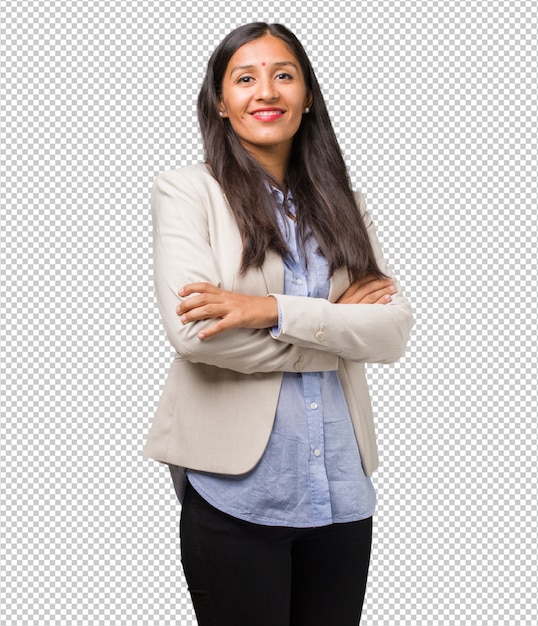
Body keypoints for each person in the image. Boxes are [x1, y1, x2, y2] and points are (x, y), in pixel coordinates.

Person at [143, 22, 414, 626]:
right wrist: (339, 331)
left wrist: (269, 311)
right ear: (221, 100)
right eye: (245, 78)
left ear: (307, 94)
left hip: (342, 490)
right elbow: (195, 334)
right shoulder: (188, 192)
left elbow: (393, 332)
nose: (266, 91)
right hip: (237, 492)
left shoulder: (342, 200)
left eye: (283, 75)